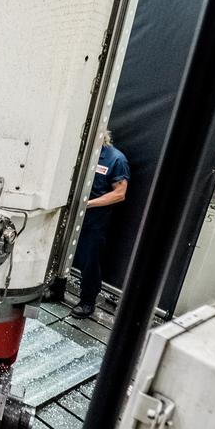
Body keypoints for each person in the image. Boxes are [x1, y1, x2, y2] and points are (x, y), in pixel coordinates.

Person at [50, 132, 130, 319]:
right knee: (59, 253)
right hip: (68, 217)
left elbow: (120, 193)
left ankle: (87, 302)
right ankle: (56, 289)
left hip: (94, 222)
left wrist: (87, 204)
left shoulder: (115, 159)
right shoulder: (79, 153)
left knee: (90, 262)